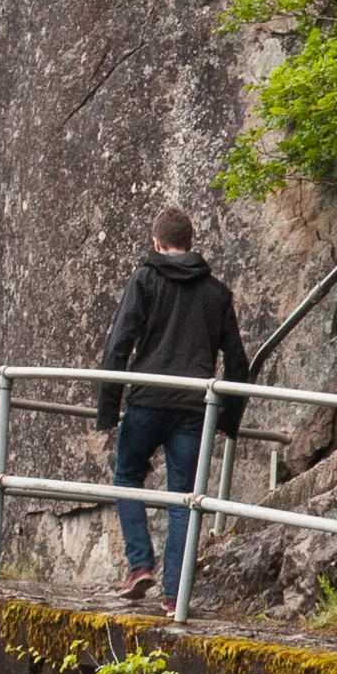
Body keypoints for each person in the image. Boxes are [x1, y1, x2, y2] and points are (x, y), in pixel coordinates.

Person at [95, 206, 249, 609]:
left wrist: (107, 409)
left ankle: (139, 566)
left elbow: (119, 344)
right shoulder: (217, 293)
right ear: (191, 242)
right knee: (183, 498)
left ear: (156, 243)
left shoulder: (145, 279)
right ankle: (173, 596)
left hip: (148, 400)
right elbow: (238, 361)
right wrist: (228, 418)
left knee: (127, 476)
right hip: (194, 407)